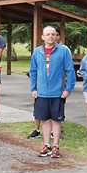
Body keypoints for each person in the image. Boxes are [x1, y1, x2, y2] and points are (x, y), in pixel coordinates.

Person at [29, 25, 76, 159]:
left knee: (56, 120)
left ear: (56, 36)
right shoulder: (37, 52)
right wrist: (33, 88)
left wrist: (68, 89)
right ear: (42, 37)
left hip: (58, 92)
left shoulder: (63, 51)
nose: (50, 36)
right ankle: (46, 145)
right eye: (48, 34)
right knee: (45, 119)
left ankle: (55, 146)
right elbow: (33, 70)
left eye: (53, 34)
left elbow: (70, 70)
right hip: (42, 92)